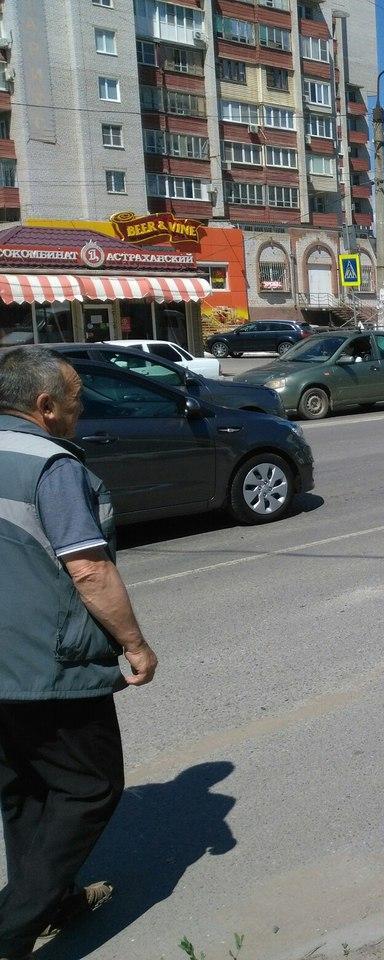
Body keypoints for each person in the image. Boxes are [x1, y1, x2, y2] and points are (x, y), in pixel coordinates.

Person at [0, 347, 158, 959]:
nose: (79, 408)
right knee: (89, 788)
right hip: (49, 663)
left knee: (26, 789)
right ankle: (12, 925)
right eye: (73, 399)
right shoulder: (50, 465)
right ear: (43, 407)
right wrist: (135, 644)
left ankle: (55, 902)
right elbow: (89, 570)